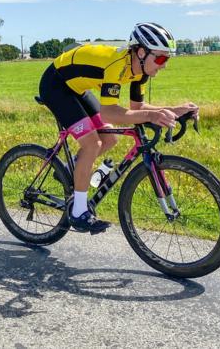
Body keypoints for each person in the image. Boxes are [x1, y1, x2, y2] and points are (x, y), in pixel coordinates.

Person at [39, 22, 198, 233]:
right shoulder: (117, 65)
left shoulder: (140, 71)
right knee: (91, 143)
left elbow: (137, 107)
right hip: (56, 85)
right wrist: (151, 115)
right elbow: (109, 112)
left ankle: (71, 170)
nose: (164, 65)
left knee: (110, 138)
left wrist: (175, 110)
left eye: (167, 59)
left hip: (78, 87)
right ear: (141, 52)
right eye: (160, 58)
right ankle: (78, 212)